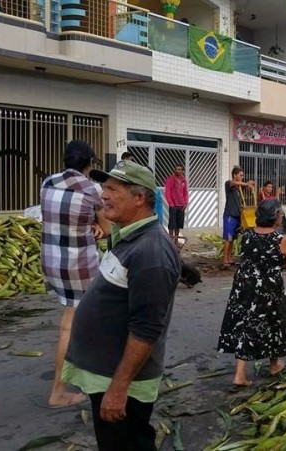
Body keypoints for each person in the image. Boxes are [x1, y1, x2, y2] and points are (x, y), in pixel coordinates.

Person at [62, 160, 180, 450]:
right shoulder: (130, 235)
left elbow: (146, 329)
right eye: (104, 187)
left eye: (114, 189)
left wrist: (118, 389)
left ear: (139, 198)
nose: (104, 195)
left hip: (118, 381)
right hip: (106, 372)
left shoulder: (150, 251)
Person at [40, 141, 111, 409]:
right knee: (73, 324)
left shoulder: (48, 182)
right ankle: (58, 391)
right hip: (78, 264)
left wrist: (91, 223)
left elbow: (60, 215)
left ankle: (84, 373)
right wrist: (97, 225)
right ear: (89, 164)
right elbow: (107, 228)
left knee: (76, 318)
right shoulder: (91, 188)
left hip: (51, 261)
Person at [217, 199, 286, 387]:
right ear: (275, 216)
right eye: (281, 214)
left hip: (244, 284)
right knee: (273, 321)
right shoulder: (281, 239)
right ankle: (274, 364)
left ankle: (239, 374)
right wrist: (274, 267)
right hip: (268, 287)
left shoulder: (248, 235)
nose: (282, 217)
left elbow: (248, 257)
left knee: (245, 322)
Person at [223, 166, 256, 268]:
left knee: (232, 238)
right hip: (230, 215)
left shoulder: (239, 189)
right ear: (235, 175)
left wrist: (250, 184)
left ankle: (229, 258)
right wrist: (246, 184)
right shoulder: (229, 184)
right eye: (240, 175)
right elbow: (234, 183)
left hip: (237, 216)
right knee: (228, 239)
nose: (242, 177)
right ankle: (225, 260)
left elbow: (243, 186)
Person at [164, 164, 189, 245]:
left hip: (181, 206)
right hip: (173, 206)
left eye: (180, 169)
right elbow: (167, 192)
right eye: (177, 169)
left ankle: (176, 242)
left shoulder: (184, 180)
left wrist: (185, 203)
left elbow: (185, 193)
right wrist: (171, 204)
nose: (178, 171)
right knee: (172, 225)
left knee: (178, 225)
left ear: (182, 171)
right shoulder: (170, 180)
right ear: (174, 170)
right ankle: (170, 242)